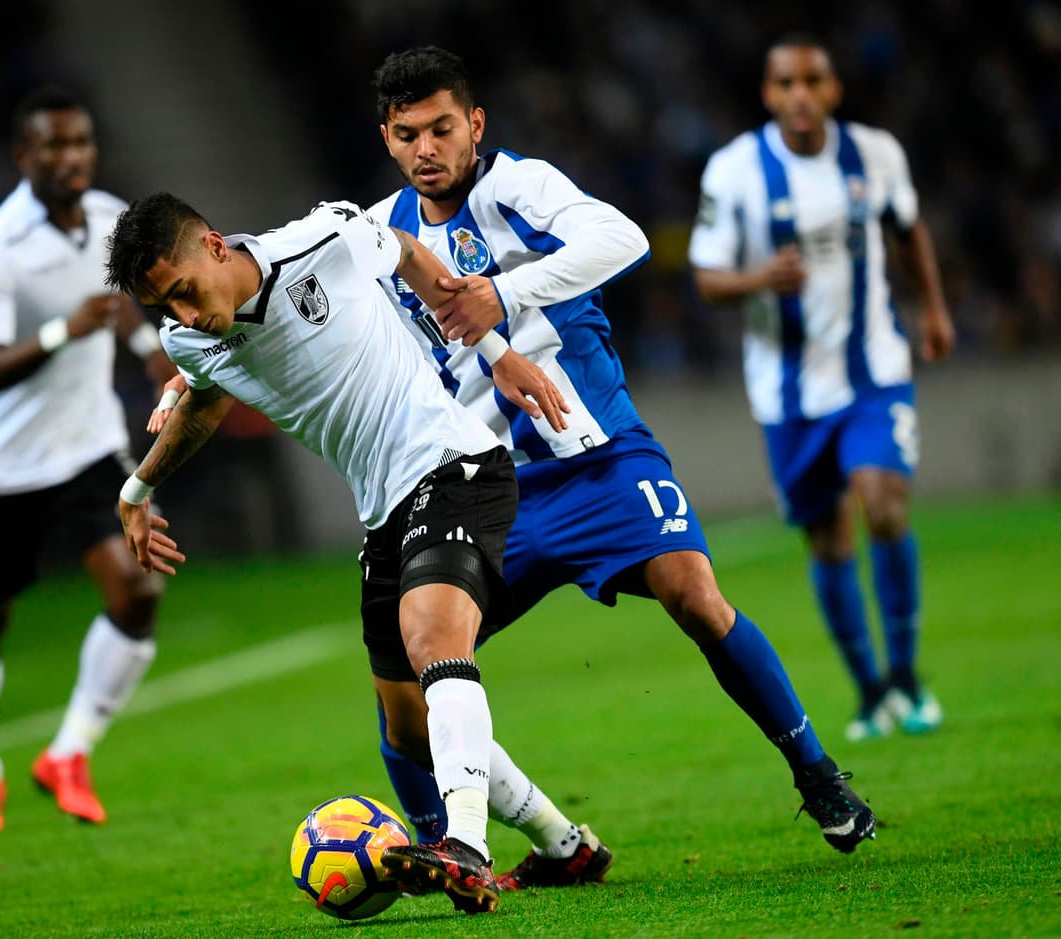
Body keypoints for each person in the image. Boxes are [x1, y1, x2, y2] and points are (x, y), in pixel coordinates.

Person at [358, 44, 877, 887]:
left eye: (442, 128)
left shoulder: (521, 187)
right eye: (408, 133)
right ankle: (451, 849)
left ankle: (817, 773)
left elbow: (622, 237)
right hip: (486, 491)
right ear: (387, 137)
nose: (427, 148)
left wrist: (504, 293)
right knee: (410, 681)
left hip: (599, 460)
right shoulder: (383, 238)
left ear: (475, 124)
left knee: (694, 593)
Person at [105, 191, 571, 915]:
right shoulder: (187, 338)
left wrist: (497, 353)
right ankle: (564, 842)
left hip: (453, 462)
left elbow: (408, 251)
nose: (184, 316)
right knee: (407, 729)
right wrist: (137, 488)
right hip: (382, 509)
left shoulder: (321, 239)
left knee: (433, 638)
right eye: (164, 307)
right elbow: (205, 396)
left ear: (216, 246)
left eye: (185, 292)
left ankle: (467, 849)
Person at [688, 34, 955, 741]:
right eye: (786, 83)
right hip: (787, 392)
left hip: (873, 372)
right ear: (768, 94)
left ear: (833, 90)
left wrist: (933, 310)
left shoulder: (876, 154)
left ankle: (907, 678)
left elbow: (910, 230)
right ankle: (870, 692)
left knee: (884, 505)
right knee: (829, 538)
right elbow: (707, 278)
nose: (800, 94)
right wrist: (759, 279)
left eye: (813, 80)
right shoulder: (734, 170)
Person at [0, 85, 178, 835]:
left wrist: (148, 350)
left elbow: (118, 301)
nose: (71, 157)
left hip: (88, 447)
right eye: (54, 145)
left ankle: (68, 754)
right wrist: (60, 333)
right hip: (3, 467)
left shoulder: (109, 219)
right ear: (23, 155)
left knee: (138, 590)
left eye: (80, 142)